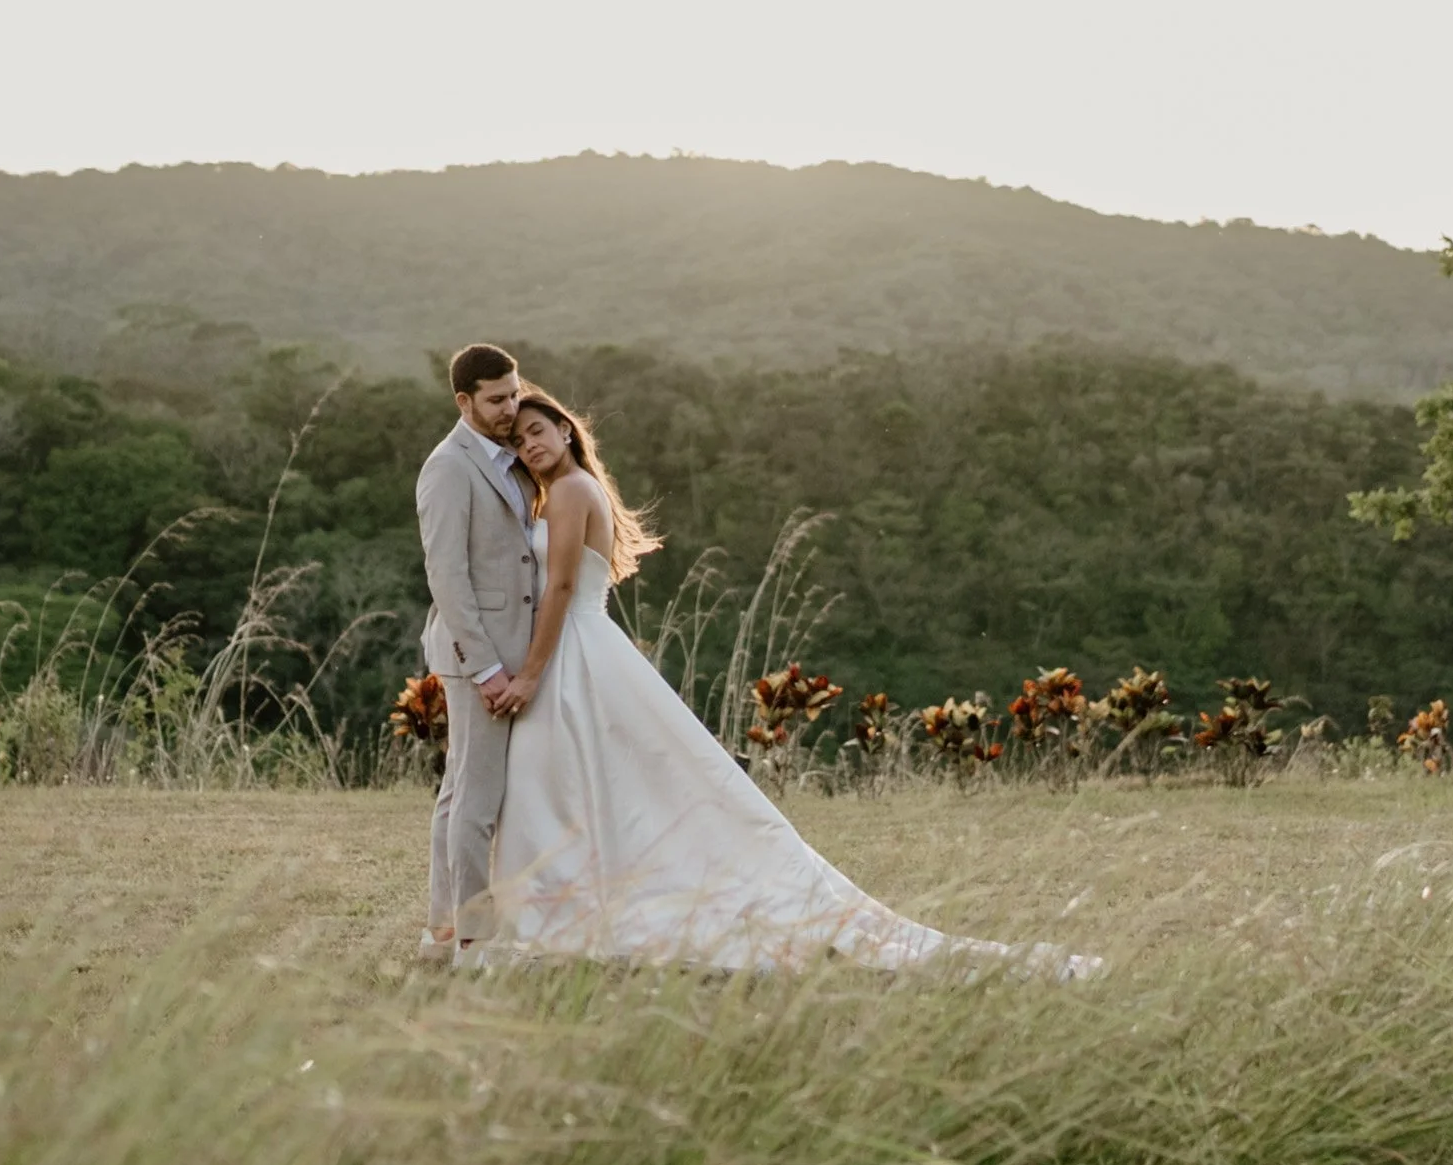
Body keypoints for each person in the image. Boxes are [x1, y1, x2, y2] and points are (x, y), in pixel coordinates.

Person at [489, 393, 1099, 978]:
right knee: (592, 781)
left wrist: (531, 673)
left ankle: (563, 912)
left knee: (562, 781)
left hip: (575, 650)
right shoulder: (565, 492)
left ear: (567, 430)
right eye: (518, 439)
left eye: (538, 430)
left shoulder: (569, 491)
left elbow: (562, 589)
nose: (529, 444)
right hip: (588, 650)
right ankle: (579, 903)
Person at [413, 341, 538, 957]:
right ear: (463, 401)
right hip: (478, 657)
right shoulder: (448, 466)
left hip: (513, 648)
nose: (510, 407)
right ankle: (472, 940)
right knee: (476, 801)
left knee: (460, 793)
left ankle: (442, 932)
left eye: (514, 393)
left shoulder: (511, 456)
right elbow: (447, 575)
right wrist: (485, 666)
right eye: (496, 399)